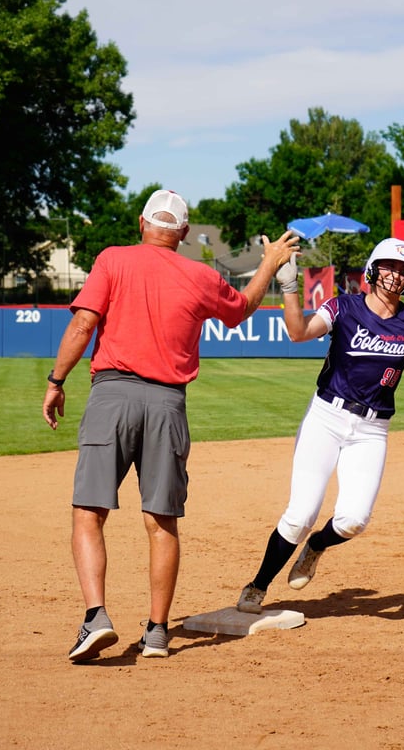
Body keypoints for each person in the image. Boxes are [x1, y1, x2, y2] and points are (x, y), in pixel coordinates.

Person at [42, 189, 299, 663]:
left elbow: (82, 326)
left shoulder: (113, 259)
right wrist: (270, 262)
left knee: (89, 512)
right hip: (167, 404)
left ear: (142, 224)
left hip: (112, 396)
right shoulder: (199, 274)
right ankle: (158, 632)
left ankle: (96, 616)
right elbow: (241, 310)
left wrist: (57, 380)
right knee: (161, 522)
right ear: (182, 233)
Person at [235, 238, 404, 616]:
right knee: (300, 515)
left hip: (373, 429)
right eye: (390, 266)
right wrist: (289, 287)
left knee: (354, 520)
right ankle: (258, 585)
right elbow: (298, 332)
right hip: (326, 417)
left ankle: (316, 547)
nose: (396, 275)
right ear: (374, 269)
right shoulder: (344, 307)